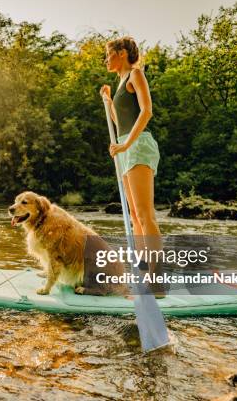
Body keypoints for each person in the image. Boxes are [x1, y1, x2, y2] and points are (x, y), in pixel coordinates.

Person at [100, 36, 165, 298]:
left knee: (145, 214)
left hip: (137, 147)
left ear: (123, 53)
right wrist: (107, 102)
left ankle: (157, 281)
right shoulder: (118, 83)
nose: (106, 59)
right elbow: (119, 124)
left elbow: (146, 111)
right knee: (136, 218)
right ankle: (143, 274)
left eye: (109, 53)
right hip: (125, 147)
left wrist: (126, 146)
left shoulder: (135, 75)